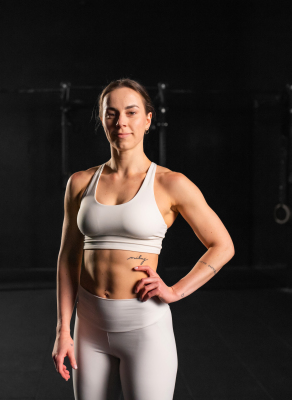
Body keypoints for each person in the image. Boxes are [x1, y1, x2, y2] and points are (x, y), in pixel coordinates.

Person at [52, 78, 235, 400]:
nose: (121, 122)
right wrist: (62, 330)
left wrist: (176, 291)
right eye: (111, 113)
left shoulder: (171, 184)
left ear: (148, 120)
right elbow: (68, 258)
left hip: (144, 327)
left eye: (131, 112)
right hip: (88, 326)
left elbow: (223, 245)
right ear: (102, 119)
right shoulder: (80, 183)